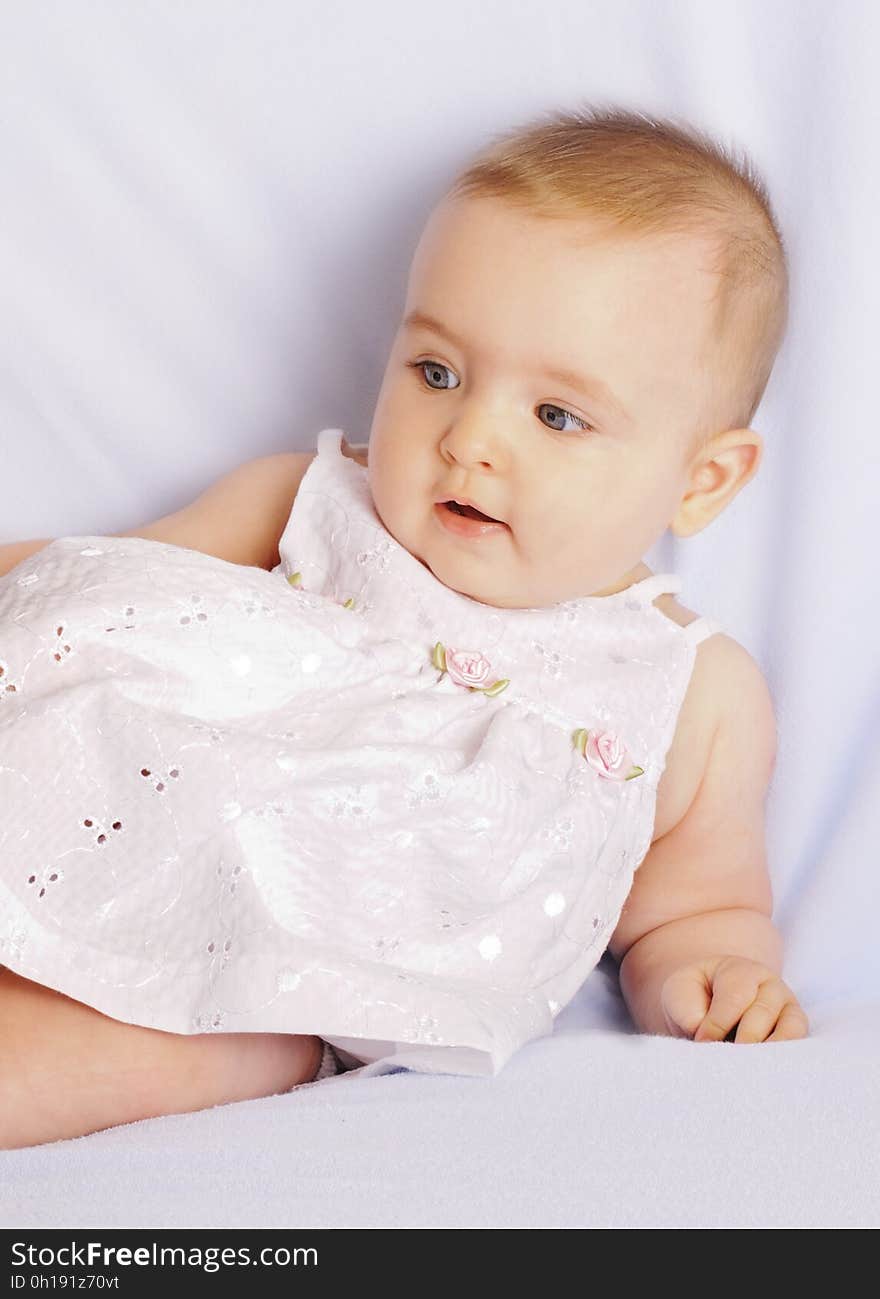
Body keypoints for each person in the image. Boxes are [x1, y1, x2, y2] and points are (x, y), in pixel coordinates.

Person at [0, 105, 809, 1150]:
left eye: (556, 416)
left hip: (280, 990)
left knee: (146, 1054)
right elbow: (98, 594)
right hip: (100, 823)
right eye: (437, 373)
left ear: (702, 480)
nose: (469, 438)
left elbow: (694, 908)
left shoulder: (686, 690)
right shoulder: (306, 503)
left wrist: (717, 972)